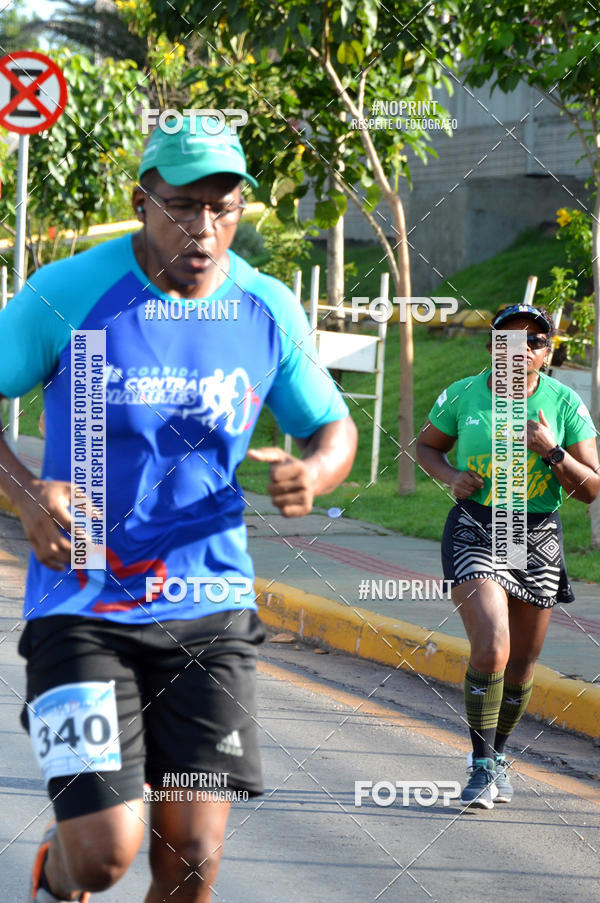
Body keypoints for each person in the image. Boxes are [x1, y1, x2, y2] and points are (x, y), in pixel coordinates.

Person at [0, 116, 357, 902]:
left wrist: (315, 472)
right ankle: (55, 873)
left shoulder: (264, 306)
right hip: (82, 601)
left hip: (210, 605)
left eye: (223, 207)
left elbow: (332, 425)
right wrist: (25, 493)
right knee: (103, 852)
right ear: (141, 203)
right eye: (183, 206)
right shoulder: (68, 293)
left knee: (191, 858)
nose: (204, 227)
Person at [416, 304, 599, 809]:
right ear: (493, 346)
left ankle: (498, 755)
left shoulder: (564, 402)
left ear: (547, 352)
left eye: (534, 341)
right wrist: (451, 476)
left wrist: (552, 451)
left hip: (535, 532)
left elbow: (590, 489)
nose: (521, 350)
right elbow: (427, 447)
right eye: (509, 339)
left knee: (521, 663)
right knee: (493, 645)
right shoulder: (462, 393)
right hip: (477, 525)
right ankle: (479, 767)